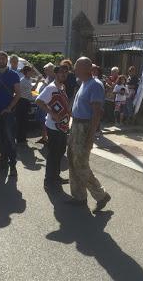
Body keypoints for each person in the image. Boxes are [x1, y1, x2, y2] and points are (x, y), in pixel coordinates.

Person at [67, 57, 111, 212]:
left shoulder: (95, 85)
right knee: (72, 160)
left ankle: (101, 195)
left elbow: (97, 114)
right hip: (76, 126)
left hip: (85, 127)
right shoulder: (83, 83)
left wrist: (91, 137)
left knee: (81, 164)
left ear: (86, 68)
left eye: (77, 66)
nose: (74, 69)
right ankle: (79, 196)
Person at [36, 65, 70, 189]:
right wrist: (52, 113)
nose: (64, 75)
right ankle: (48, 181)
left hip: (63, 126)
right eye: (61, 72)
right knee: (53, 154)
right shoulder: (51, 88)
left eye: (66, 72)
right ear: (56, 74)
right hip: (53, 126)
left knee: (60, 152)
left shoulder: (62, 87)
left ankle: (56, 176)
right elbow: (39, 101)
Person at [0, 51, 21, 177]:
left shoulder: (13, 75)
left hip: (8, 112)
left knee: (10, 139)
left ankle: (13, 165)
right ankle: (3, 162)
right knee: (0, 139)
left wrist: (9, 108)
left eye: (3, 59)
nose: (1, 61)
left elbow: (18, 94)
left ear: (6, 60)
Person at [16, 65, 41, 144]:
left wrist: (37, 79)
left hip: (26, 101)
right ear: (26, 72)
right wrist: (38, 81)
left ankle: (22, 137)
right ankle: (20, 138)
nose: (32, 73)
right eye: (30, 71)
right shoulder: (23, 81)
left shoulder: (28, 79)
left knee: (24, 121)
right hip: (22, 101)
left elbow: (32, 79)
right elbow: (33, 89)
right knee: (21, 121)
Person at [35, 62, 56, 144]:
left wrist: (44, 82)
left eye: (47, 70)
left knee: (45, 121)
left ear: (51, 70)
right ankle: (44, 137)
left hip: (47, 103)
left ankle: (48, 138)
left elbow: (51, 88)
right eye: (45, 70)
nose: (45, 71)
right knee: (41, 121)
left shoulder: (54, 78)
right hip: (42, 102)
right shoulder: (48, 77)